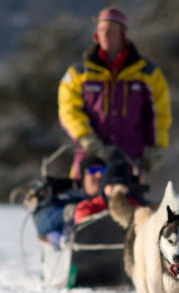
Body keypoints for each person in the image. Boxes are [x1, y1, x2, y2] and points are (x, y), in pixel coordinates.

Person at [58, 6, 172, 179]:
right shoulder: (78, 73)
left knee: (127, 205)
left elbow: (159, 113)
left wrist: (156, 147)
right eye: (102, 29)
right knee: (85, 205)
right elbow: (68, 110)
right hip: (90, 160)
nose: (105, 34)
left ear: (123, 34)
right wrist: (85, 137)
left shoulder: (148, 73)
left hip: (129, 161)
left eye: (111, 30)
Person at [33, 155, 106, 249]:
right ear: (83, 176)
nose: (99, 175)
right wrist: (66, 213)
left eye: (103, 170)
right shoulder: (68, 197)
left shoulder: (112, 197)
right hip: (78, 252)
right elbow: (42, 223)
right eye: (93, 171)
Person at [73, 160, 140, 224]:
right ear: (104, 187)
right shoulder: (89, 208)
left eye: (121, 186)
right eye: (112, 185)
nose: (117, 189)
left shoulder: (135, 206)